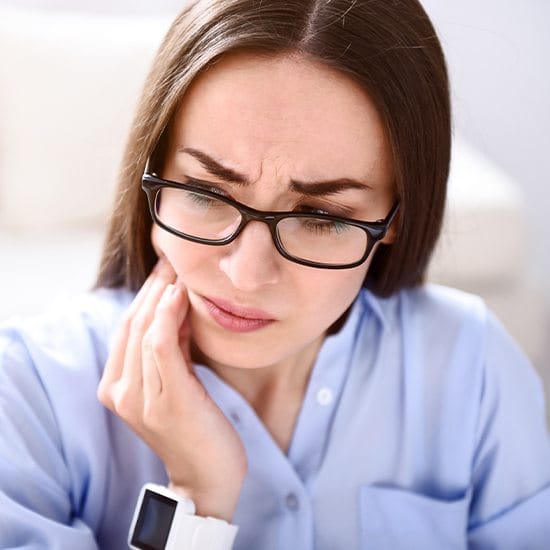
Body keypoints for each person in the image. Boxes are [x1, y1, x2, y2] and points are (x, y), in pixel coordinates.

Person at [1, 0, 549, 548]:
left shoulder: (470, 368)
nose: (246, 273)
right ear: (153, 174)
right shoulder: (29, 396)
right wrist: (196, 499)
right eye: (206, 193)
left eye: (320, 217)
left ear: (395, 221)